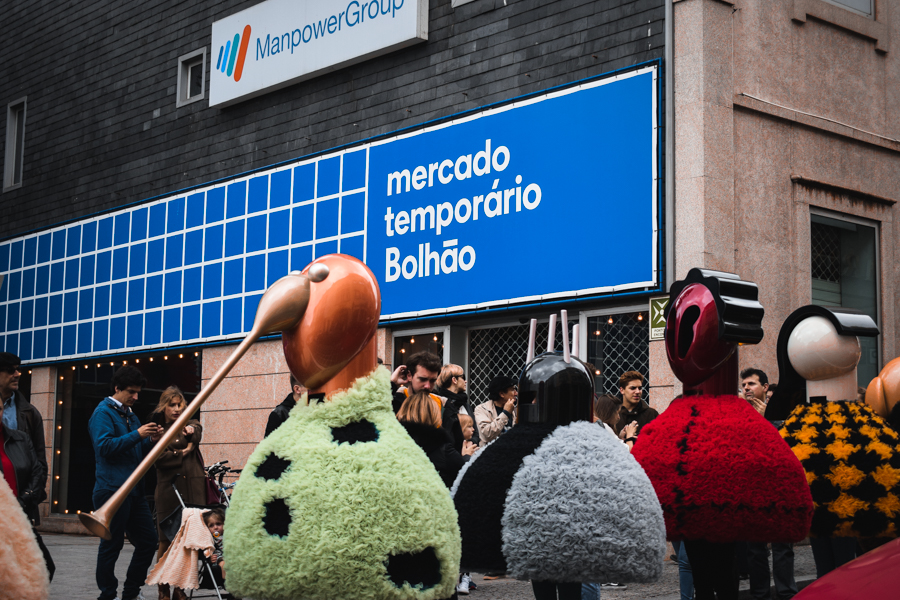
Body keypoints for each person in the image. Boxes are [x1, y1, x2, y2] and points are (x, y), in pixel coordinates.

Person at [89, 366, 162, 600]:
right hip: (111, 489)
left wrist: (150, 440)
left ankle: (130, 593)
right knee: (112, 545)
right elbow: (104, 447)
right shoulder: (103, 413)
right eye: (131, 391)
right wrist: (138, 434)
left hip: (133, 491)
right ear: (117, 388)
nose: (136, 397)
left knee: (148, 541)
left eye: (138, 392)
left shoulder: (130, 414)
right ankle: (107, 595)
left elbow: (135, 451)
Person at [740, 368, 798, 600]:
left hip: (779, 489)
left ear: (765, 388)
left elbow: (787, 449)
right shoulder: (740, 417)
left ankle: (786, 593)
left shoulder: (780, 414)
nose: (746, 388)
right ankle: (760, 594)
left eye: (751, 384)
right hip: (753, 491)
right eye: (744, 385)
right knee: (755, 549)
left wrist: (767, 421)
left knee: (782, 547)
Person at [150, 386, 206, 600]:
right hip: (169, 491)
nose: (176, 409)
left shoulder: (190, 425)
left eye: (179, 404)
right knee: (166, 540)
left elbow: (197, 429)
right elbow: (158, 459)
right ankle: (163, 587)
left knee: (189, 542)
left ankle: (180, 587)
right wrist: (183, 451)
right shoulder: (158, 430)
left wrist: (191, 430)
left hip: (193, 489)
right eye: (171, 405)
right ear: (163, 407)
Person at [0, 394, 54, 580]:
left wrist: (24, 500)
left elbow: (37, 471)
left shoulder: (20, 439)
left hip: (18, 516)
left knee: (45, 567)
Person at [0, 352, 48, 513]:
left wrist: (28, 498)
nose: (17, 374)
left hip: (19, 502)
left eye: (18, 369)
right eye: (10, 370)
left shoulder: (30, 413)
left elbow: (39, 464)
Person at [397, 390, 476, 487]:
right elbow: (466, 475)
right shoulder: (443, 449)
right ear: (433, 415)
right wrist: (466, 456)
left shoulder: (395, 442)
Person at [435, 364, 480, 449]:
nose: (466, 381)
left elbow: (475, 432)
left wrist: (471, 442)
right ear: (454, 380)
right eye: (463, 377)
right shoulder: (440, 403)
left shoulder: (465, 404)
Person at [473, 375, 518, 445]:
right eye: (513, 390)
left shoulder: (514, 410)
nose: (516, 393)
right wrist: (505, 413)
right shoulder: (482, 409)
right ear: (502, 394)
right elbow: (487, 435)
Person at [614, 371, 658, 437]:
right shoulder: (614, 414)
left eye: (640, 388)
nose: (637, 391)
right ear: (622, 390)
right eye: (633, 388)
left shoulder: (651, 414)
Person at [203, 508, 226, 586]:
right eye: (211, 525)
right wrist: (210, 558)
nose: (215, 527)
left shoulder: (228, 535)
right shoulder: (209, 539)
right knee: (224, 565)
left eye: (218, 524)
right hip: (219, 558)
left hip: (231, 557)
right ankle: (226, 584)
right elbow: (206, 552)